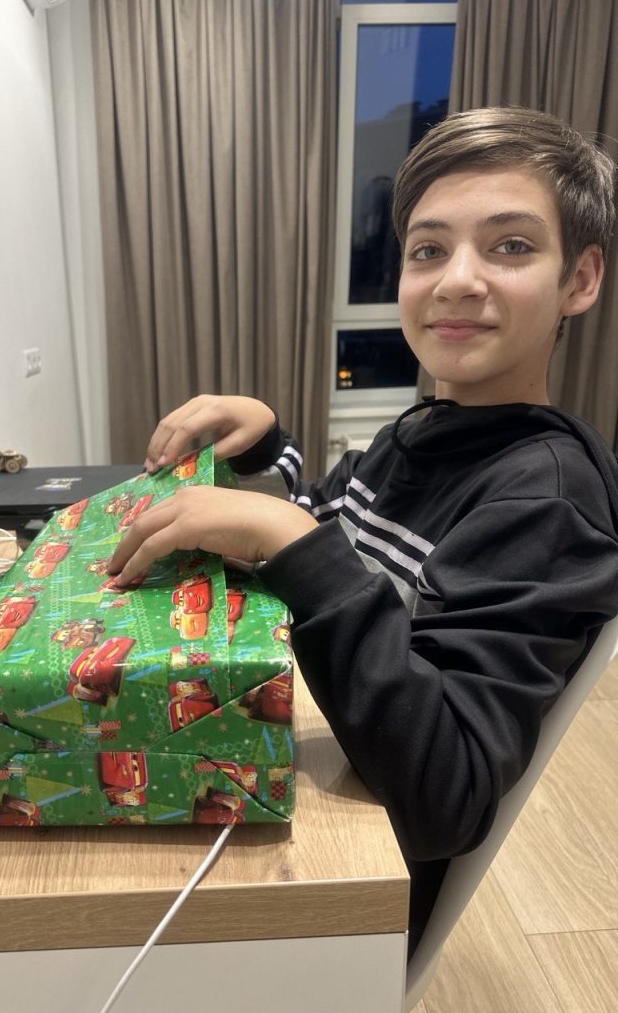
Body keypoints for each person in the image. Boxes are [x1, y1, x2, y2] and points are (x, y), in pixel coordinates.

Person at [109, 106, 618, 958]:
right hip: (307, 749)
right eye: (428, 250)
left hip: (350, 896)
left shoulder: (546, 505)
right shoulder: (418, 431)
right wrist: (267, 449)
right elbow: (329, 537)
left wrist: (289, 541)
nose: (457, 280)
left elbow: (447, 792)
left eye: (510, 246)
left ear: (580, 279)